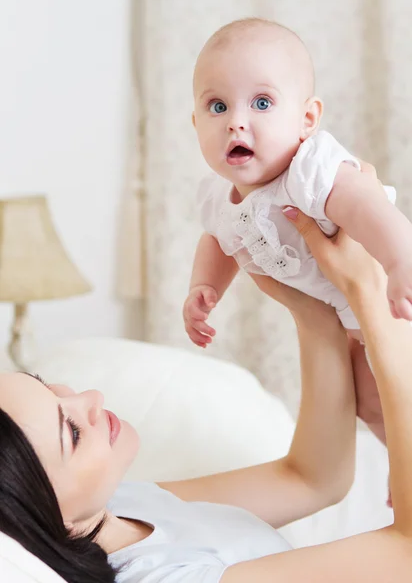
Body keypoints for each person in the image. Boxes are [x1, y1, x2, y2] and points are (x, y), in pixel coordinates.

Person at [2, 177, 412, 581]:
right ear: (44, 516)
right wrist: (371, 291)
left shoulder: (120, 507)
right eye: (71, 433)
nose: (90, 397)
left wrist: (311, 306)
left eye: (52, 389)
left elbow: (311, 480)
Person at [183, 17, 412, 449]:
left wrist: (401, 261)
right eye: (218, 107)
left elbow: (367, 203)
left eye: (262, 103)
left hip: (392, 301)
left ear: (307, 119)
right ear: (195, 123)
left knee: (403, 389)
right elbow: (217, 241)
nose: (236, 122)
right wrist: (203, 286)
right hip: (346, 320)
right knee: (370, 403)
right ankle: (400, 470)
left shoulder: (309, 169)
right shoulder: (216, 199)